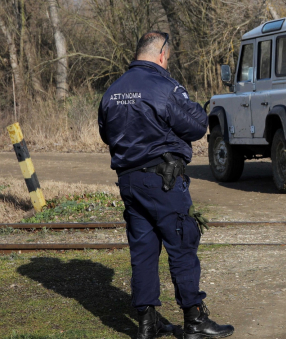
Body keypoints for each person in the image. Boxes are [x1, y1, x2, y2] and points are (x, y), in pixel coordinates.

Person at [98, 32, 234, 339]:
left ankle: (147, 323)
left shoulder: (112, 91)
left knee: (143, 250)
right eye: (168, 58)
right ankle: (194, 320)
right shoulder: (164, 87)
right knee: (182, 243)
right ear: (161, 54)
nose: (167, 63)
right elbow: (197, 125)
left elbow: (107, 134)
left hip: (129, 181)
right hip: (163, 180)